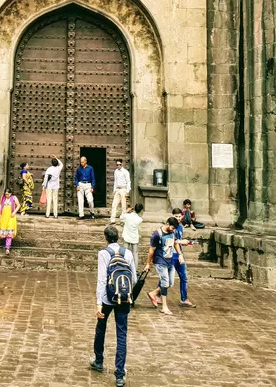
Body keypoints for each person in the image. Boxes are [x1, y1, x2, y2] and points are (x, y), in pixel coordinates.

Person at [90, 225, 136, 387]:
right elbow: (134, 278)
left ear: (106, 238)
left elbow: (102, 279)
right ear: (118, 237)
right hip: (124, 299)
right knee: (122, 334)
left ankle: (99, 360)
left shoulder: (103, 253)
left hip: (108, 299)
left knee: (101, 328)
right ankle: (120, 374)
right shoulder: (128, 253)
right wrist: (128, 295)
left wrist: (98, 303)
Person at [146, 217, 180, 316]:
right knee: (165, 283)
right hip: (160, 261)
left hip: (170, 260)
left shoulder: (173, 233)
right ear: (167, 223)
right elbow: (151, 250)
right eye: (172, 228)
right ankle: (165, 307)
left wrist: (180, 255)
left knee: (170, 283)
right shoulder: (157, 235)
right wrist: (148, 263)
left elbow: (175, 243)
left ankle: (153, 293)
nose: (173, 230)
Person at [170, 208, 196, 308]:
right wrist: (181, 242)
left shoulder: (180, 227)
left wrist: (183, 243)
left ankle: (184, 299)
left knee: (184, 277)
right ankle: (157, 294)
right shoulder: (170, 226)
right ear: (172, 216)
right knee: (168, 280)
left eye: (180, 216)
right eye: (176, 216)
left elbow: (178, 241)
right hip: (171, 255)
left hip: (179, 254)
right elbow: (171, 241)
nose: (178, 218)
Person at [0, 187, 20, 255]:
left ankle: (7, 248)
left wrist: (14, 212)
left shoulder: (14, 198)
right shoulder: (3, 197)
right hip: (4, 216)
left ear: (11, 193)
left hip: (11, 217)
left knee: (9, 232)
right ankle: (6, 244)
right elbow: (1, 205)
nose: (7, 195)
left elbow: (18, 205)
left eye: (8, 194)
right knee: (4, 231)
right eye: (6, 194)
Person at [110, 159, 131, 224]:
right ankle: (112, 220)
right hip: (117, 189)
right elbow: (115, 181)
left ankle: (122, 220)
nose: (118, 166)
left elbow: (128, 181)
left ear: (122, 164)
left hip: (123, 189)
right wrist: (114, 190)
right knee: (114, 205)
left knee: (123, 206)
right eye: (117, 165)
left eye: (119, 164)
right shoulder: (116, 171)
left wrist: (127, 191)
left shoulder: (125, 172)